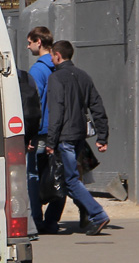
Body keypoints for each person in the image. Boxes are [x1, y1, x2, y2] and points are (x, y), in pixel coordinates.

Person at [45, 40, 111, 236]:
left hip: (64, 137)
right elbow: (97, 106)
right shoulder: (84, 76)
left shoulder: (55, 78)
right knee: (70, 180)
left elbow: (56, 112)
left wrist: (50, 141)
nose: (51, 59)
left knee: (71, 180)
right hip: (79, 136)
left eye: (52, 56)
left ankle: (98, 215)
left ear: (57, 56)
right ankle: (59, 220)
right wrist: (102, 136)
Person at [23, 27, 61, 232]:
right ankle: (53, 220)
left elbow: (34, 103)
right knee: (58, 173)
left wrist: (29, 133)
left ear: (38, 42)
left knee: (33, 175)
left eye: (29, 42)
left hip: (41, 131)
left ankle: (37, 220)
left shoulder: (37, 70)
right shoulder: (58, 66)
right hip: (58, 129)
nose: (28, 46)